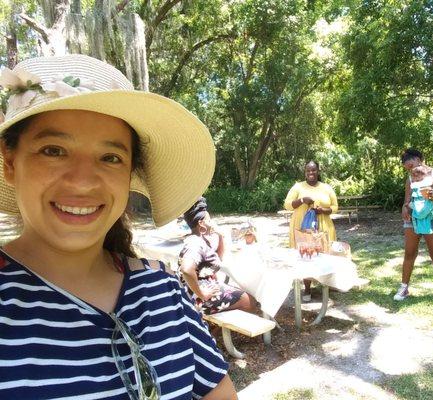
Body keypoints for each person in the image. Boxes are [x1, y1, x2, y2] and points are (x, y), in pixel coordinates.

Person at [0, 55, 237, 399]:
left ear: (128, 175)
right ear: (10, 163)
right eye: (53, 150)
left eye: (110, 157)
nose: (82, 182)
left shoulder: (165, 291)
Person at [394, 148, 433, 305]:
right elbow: (407, 200)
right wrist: (404, 208)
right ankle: (404, 288)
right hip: (413, 218)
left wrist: (432, 196)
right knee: (409, 253)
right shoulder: (410, 179)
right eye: (407, 169)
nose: (410, 170)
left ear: (418, 159)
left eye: (410, 165)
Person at [179, 197, 258, 315]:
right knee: (251, 302)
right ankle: (214, 328)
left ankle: (214, 327)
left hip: (201, 289)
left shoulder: (200, 239)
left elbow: (218, 259)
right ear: (201, 223)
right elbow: (186, 269)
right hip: (198, 298)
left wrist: (220, 236)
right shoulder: (195, 243)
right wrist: (202, 293)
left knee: (241, 295)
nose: (212, 223)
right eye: (209, 220)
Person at [284, 160, 338, 301]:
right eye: (308, 170)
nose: (311, 173)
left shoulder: (326, 187)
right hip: (303, 226)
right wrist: (302, 200)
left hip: (323, 225)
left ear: (318, 171)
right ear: (305, 172)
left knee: (324, 254)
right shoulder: (298, 187)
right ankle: (307, 289)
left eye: (313, 170)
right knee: (306, 255)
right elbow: (287, 205)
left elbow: (335, 206)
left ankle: (326, 285)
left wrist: (322, 210)